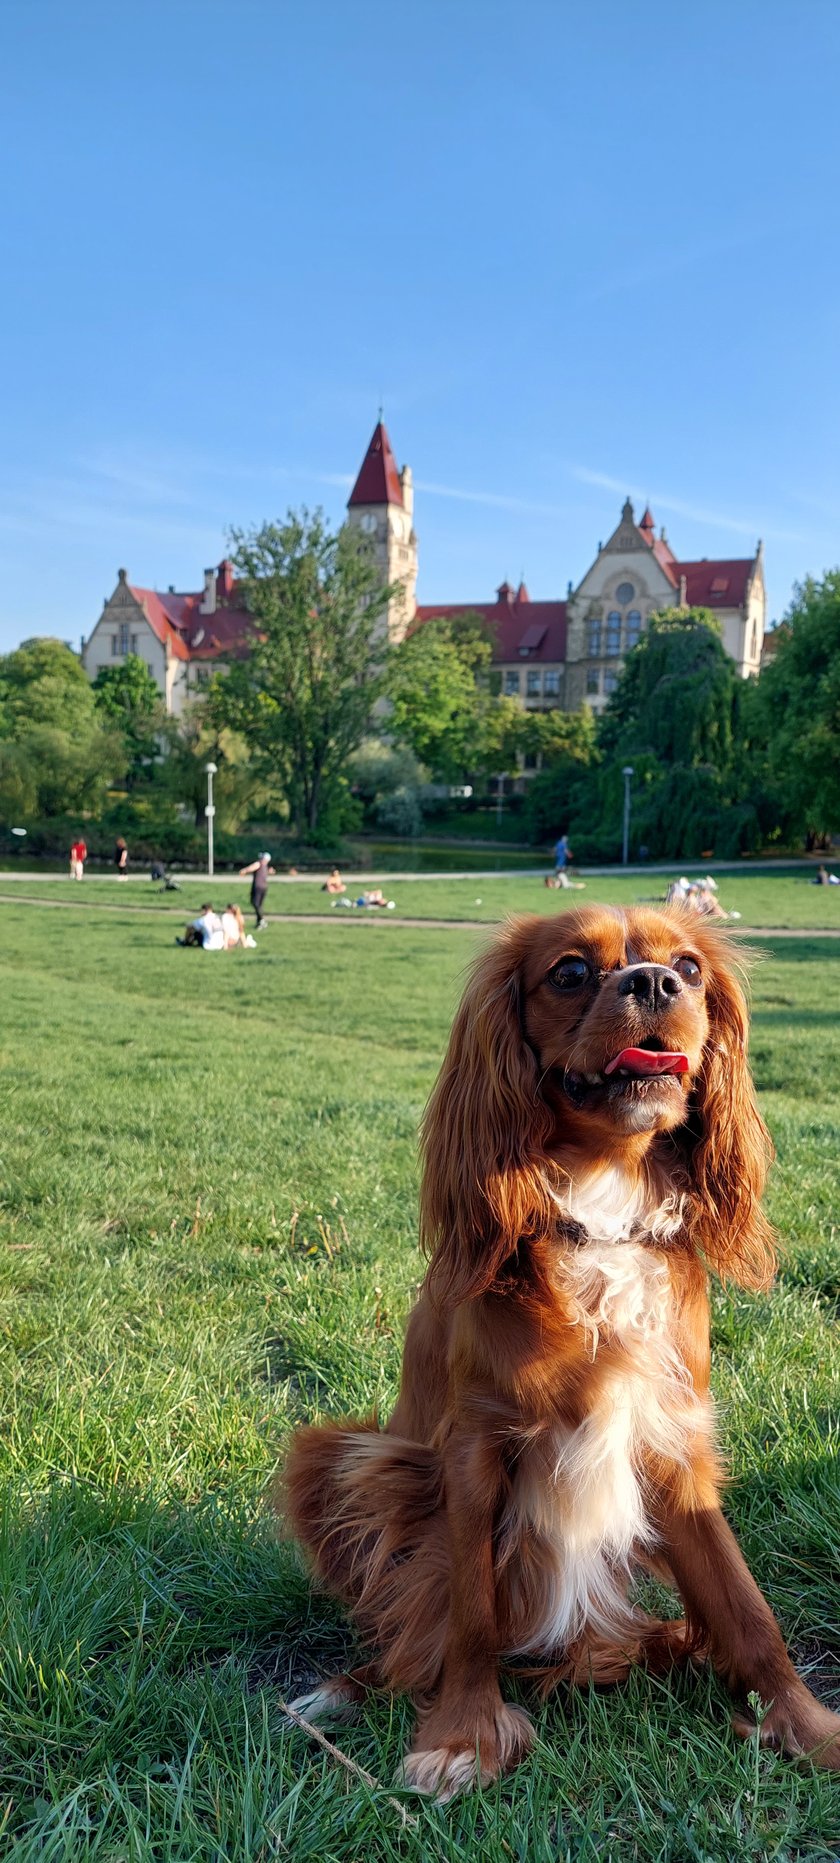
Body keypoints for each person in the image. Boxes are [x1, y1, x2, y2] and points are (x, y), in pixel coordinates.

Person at [239, 852, 275, 929]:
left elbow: (252, 867)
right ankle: (259, 922)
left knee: (255, 903)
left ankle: (262, 920)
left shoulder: (259, 864)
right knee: (259, 905)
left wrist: (244, 870)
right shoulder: (265, 866)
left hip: (257, 887)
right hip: (264, 887)